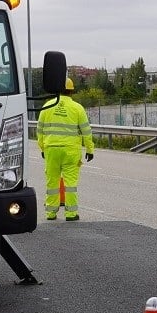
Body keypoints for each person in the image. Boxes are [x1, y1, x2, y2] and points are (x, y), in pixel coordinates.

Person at [36, 77, 94, 221]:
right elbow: (86, 131)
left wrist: (42, 147)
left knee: (52, 182)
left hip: (51, 149)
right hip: (71, 151)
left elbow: (39, 130)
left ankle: (51, 213)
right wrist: (89, 149)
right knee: (70, 184)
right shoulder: (77, 108)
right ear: (71, 91)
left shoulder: (47, 106)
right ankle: (71, 214)